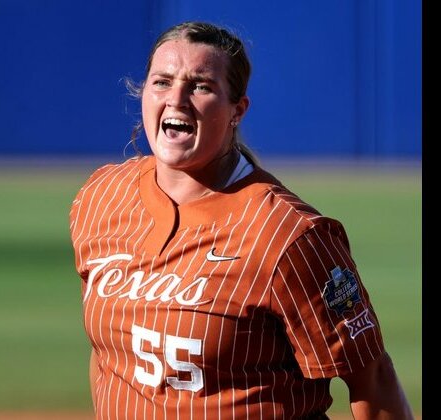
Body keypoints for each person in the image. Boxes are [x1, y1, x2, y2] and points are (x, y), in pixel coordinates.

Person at [69, 21, 414, 419]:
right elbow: (110, 354)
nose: (177, 99)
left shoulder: (288, 234)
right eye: (162, 82)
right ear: (142, 92)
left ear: (238, 110)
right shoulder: (101, 198)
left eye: (201, 86)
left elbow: (373, 380)